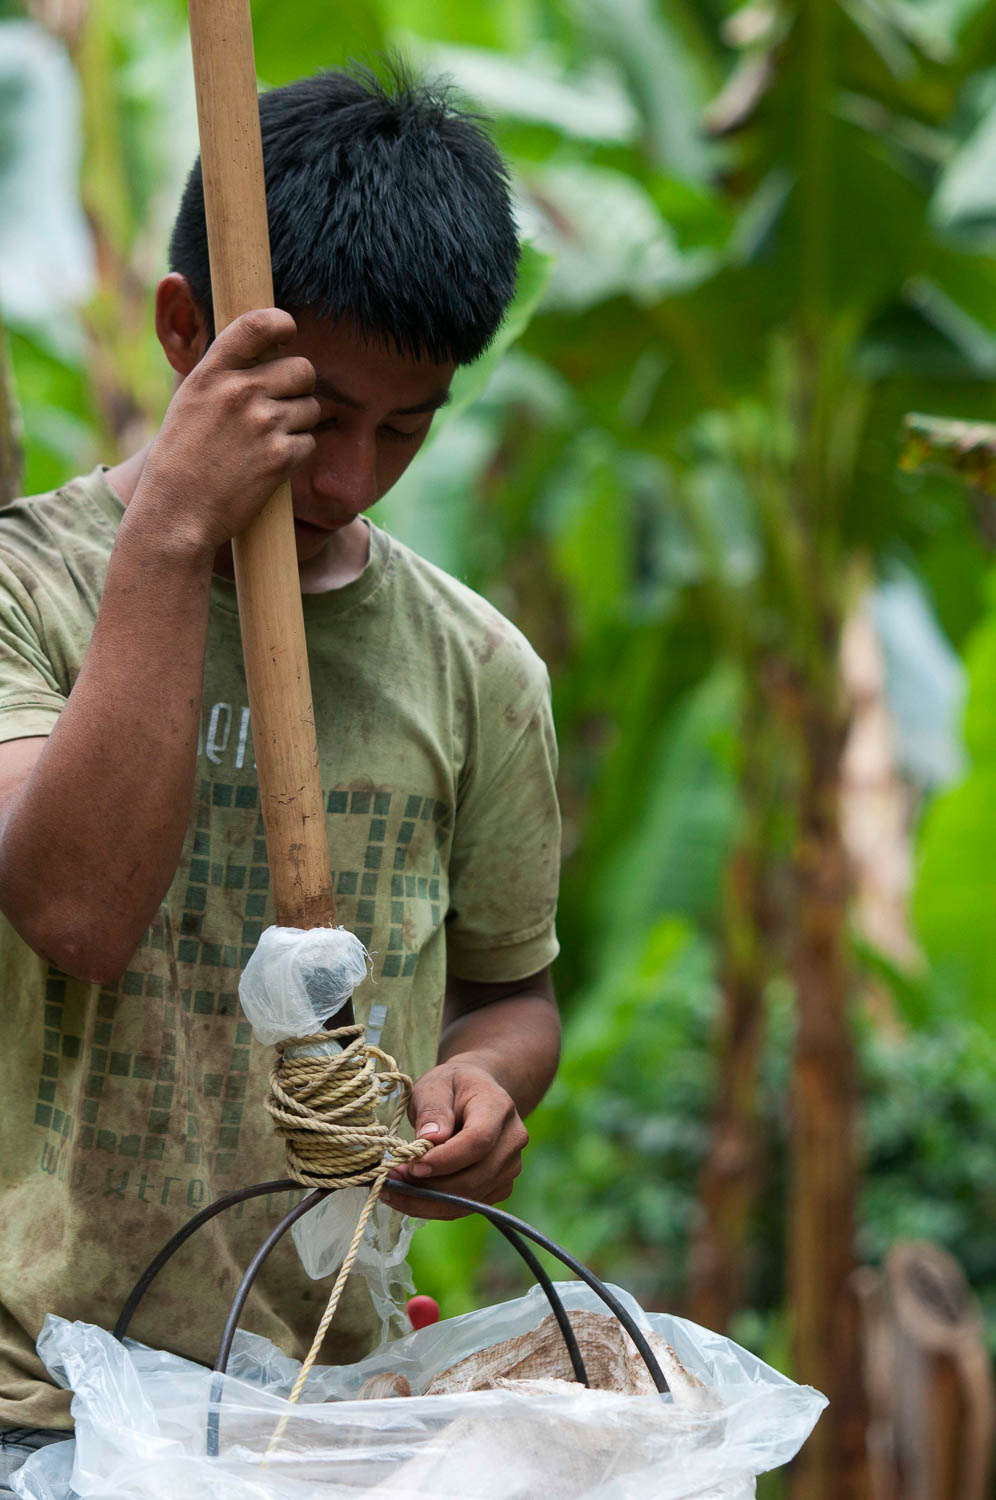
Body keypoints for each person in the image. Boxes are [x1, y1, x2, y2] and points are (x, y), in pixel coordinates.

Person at [0, 66, 561, 1489]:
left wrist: (487, 1089)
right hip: (35, 1406)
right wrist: (177, 536)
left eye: (408, 425)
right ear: (189, 331)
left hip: (327, 1403)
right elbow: (77, 912)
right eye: (317, 413)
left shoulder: (477, 671)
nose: (352, 476)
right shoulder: (25, 594)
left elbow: (512, 996)